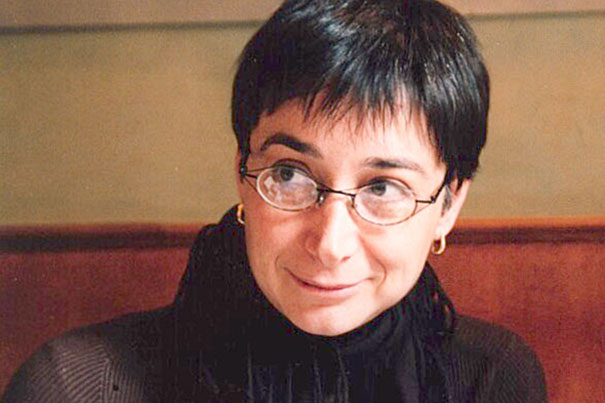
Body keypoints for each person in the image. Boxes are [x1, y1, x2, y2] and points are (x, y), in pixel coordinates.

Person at [3, 0, 547, 402]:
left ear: (447, 206)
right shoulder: (76, 385)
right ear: (243, 173)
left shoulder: (492, 377)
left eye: (382, 188)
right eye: (290, 174)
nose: (329, 244)